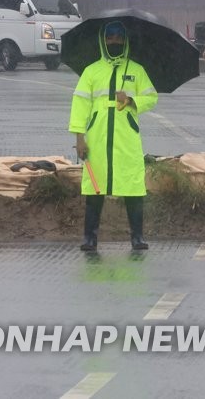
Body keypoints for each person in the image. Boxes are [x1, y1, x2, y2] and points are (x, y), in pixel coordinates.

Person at [69, 21, 158, 252]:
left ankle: (137, 237)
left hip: (126, 139)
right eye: (110, 36)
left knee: (133, 187)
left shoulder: (136, 70)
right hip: (97, 138)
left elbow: (152, 97)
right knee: (94, 188)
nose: (115, 40)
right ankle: (90, 238)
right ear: (103, 40)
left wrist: (130, 100)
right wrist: (79, 138)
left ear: (125, 40)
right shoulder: (91, 71)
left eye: (119, 36)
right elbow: (79, 105)